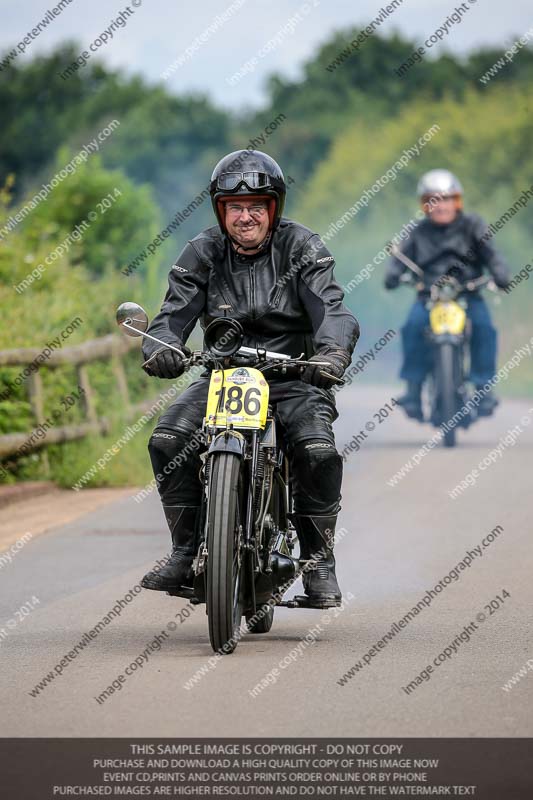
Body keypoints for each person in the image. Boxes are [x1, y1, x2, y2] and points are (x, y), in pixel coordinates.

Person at [139, 149, 359, 608]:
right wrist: (161, 346)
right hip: (223, 375)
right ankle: (184, 550)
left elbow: (332, 309)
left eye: (255, 206)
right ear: (221, 211)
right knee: (166, 439)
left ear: (273, 208)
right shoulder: (201, 252)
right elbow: (171, 316)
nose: (245, 217)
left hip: (294, 374)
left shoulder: (303, 247)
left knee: (317, 451)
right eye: (234, 208)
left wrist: (332, 352)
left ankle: (319, 562)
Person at [384, 169, 510, 420]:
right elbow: (399, 260)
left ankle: (484, 389)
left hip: (468, 294)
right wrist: (393, 275)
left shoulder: (473, 225)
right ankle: (413, 389)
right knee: (412, 326)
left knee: (484, 328)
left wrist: (501, 275)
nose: (440, 206)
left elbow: (492, 256)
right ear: (425, 205)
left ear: (457, 201)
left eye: (446, 199)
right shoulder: (416, 231)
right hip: (429, 297)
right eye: (433, 199)